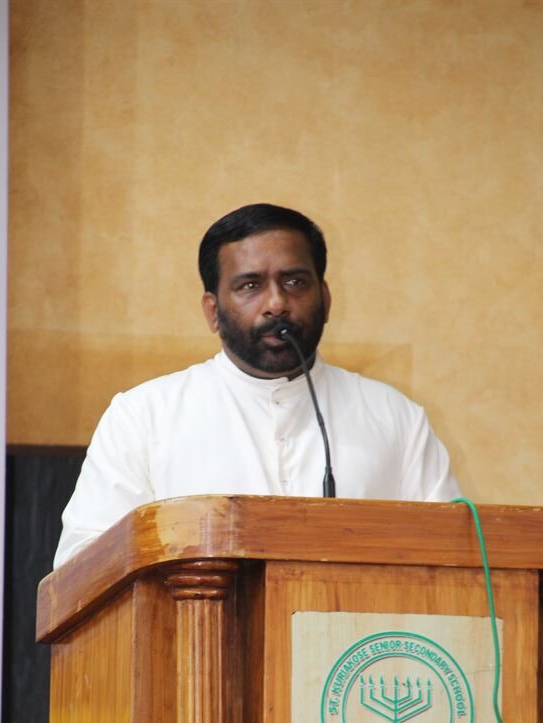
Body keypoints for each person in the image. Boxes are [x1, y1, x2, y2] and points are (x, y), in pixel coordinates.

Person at [54, 203, 460, 567]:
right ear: (213, 311)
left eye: (295, 282)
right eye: (250, 285)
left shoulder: (396, 418)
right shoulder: (143, 417)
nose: (277, 303)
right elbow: (82, 568)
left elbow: (453, 560)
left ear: (325, 298)